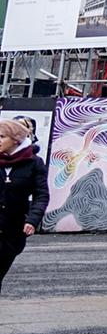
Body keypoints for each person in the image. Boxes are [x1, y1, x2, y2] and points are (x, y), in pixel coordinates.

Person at [0, 117, 49, 294]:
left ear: (15, 140)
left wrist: (33, 219)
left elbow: (41, 194)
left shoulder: (34, 163)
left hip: (12, 232)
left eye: (1, 137)